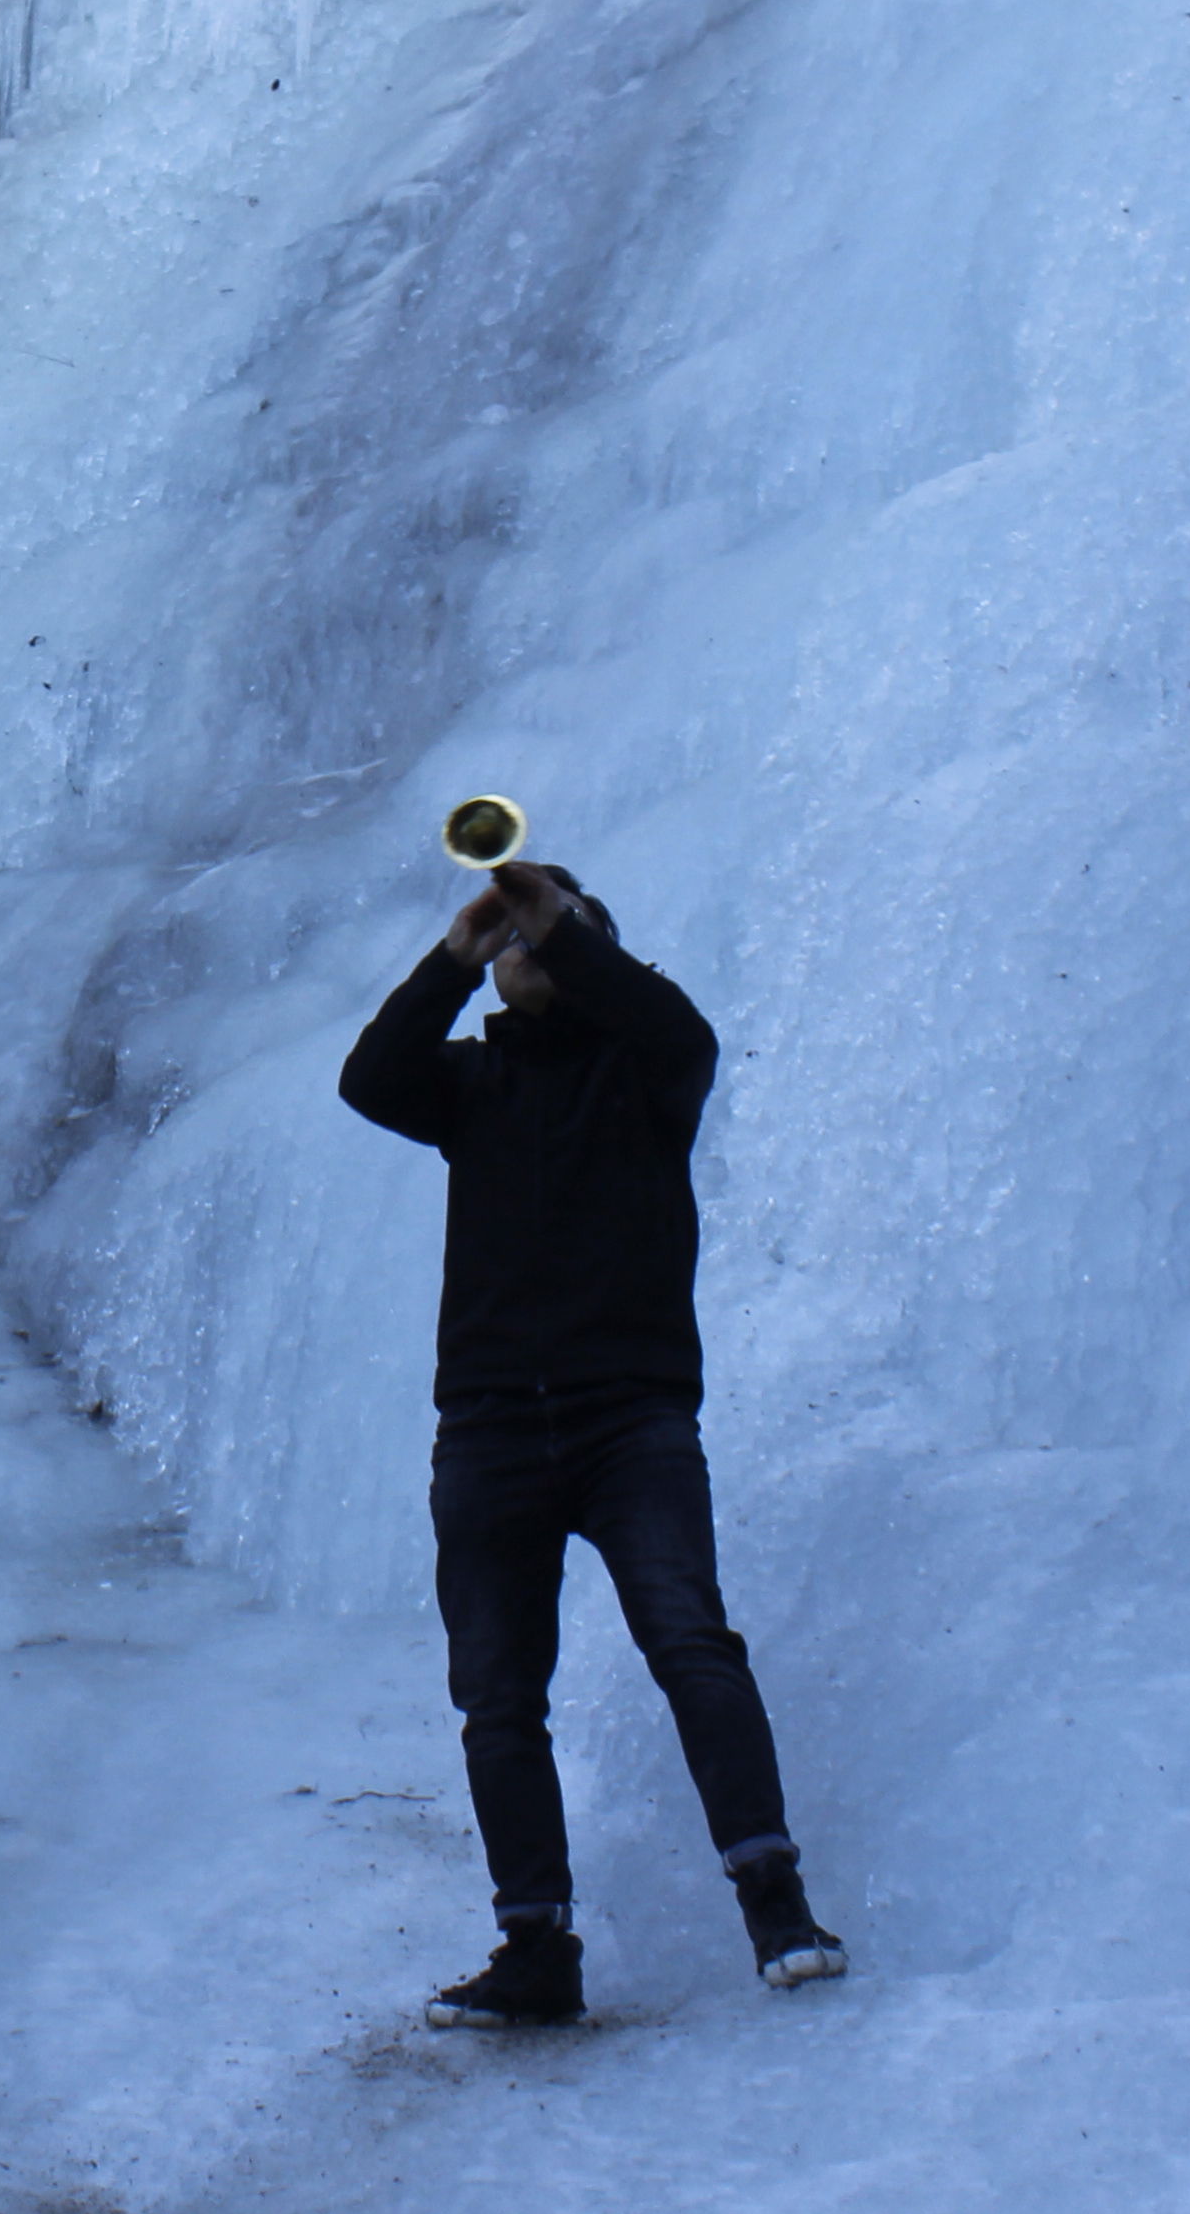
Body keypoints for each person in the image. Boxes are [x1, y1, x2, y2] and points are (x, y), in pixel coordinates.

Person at [336, 856, 847, 2026]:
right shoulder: (470, 1085)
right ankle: (535, 1953)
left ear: (588, 950)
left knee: (691, 1644)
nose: (522, 947)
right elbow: (369, 1079)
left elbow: (671, 1018)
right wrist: (453, 958)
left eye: (543, 936)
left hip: (632, 1417)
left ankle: (776, 1901)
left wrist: (558, 924)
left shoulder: (651, 1071)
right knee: (499, 1699)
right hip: (490, 1424)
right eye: (512, 940)